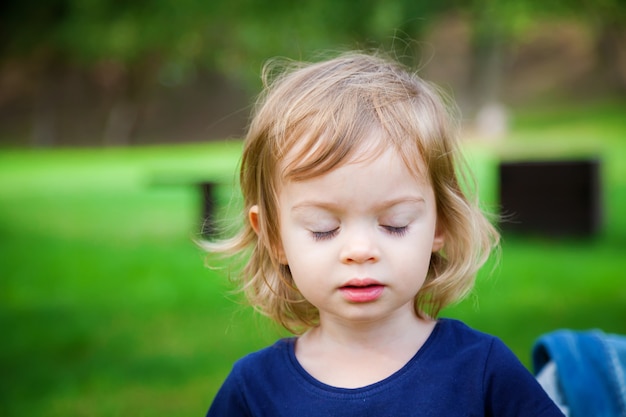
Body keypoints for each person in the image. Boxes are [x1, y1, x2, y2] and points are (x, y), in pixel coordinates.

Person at [203, 51, 565, 416]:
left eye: (395, 223)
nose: (360, 250)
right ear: (274, 237)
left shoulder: (482, 371)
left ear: (440, 224)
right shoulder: (254, 390)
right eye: (323, 229)